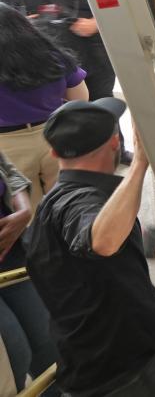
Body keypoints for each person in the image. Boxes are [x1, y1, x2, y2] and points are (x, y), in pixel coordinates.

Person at [25, 100, 155, 396]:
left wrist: (143, 244)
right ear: (116, 142)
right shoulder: (76, 202)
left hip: (97, 367)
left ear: (53, 152)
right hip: (130, 375)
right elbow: (101, 242)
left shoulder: (51, 206)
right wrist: (140, 163)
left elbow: (79, 269)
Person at [0, 4, 88, 208]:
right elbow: (81, 99)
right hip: (56, 134)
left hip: (7, 148)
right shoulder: (51, 56)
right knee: (68, 205)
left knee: (27, 215)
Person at [0, 150, 59, 396]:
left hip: (11, 254)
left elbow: (9, 171)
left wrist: (23, 210)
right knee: (15, 355)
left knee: (47, 342)